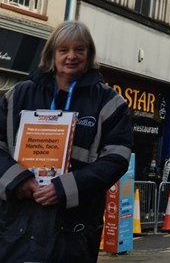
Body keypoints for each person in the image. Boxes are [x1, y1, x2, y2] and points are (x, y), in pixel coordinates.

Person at [0, 21, 133, 262]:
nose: (71, 56)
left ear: (89, 54)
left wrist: (63, 189)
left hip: (73, 231)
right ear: (52, 53)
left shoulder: (109, 102)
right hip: (16, 227)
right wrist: (19, 181)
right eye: (63, 50)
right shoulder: (17, 95)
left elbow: (117, 158)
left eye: (79, 50)